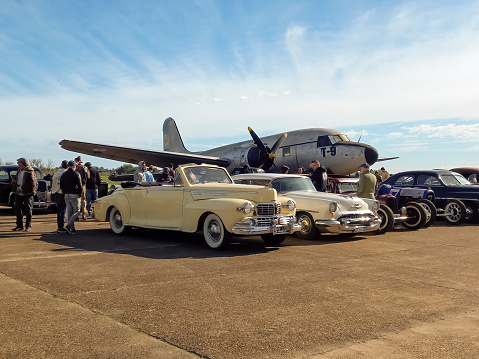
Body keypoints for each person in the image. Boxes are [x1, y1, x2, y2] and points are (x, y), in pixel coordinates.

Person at [11, 158, 37, 231]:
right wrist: (14, 181)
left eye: (19, 163)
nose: (18, 164)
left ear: (23, 163)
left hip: (27, 193)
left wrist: (28, 189)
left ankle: (28, 226)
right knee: (17, 208)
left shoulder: (29, 171)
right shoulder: (18, 171)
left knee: (28, 209)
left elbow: (33, 183)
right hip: (18, 192)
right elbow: (17, 180)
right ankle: (19, 225)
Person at [60, 160, 82, 234]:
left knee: (69, 212)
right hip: (74, 194)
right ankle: (69, 226)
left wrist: (65, 192)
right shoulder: (76, 174)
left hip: (66, 195)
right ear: (74, 166)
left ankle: (71, 229)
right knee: (77, 212)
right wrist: (80, 194)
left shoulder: (64, 174)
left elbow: (61, 185)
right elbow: (80, 185)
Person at [51, 160, 68, 232]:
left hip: (55, 192)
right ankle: (61, 226)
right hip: (62, 193)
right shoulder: (65, 173)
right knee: (63, 210)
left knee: (59, 211)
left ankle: (59, 226)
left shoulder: (56, 173)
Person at [75, 156, 90, 220]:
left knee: (76, 200)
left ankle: (76, 215)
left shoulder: (74, 168)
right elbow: (88, 176)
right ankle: (84, 214)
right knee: (83, 200)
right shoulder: (84, 167)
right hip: (83, 185)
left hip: (75, 185)